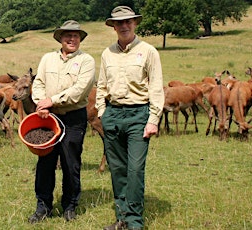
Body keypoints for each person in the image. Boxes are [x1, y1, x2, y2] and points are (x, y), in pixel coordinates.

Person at [95, 6, 164, 230]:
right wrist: (102, 112)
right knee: (117, 169)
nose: (124, 26)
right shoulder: (107, 53)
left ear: (135, 23)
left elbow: (155, 87)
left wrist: (153, 119)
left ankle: (134, 222)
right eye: (119, 23)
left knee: (134, 169)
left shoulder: (148, 51)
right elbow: (102, 85)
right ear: (113, 26)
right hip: (113, 114)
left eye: (128, 22)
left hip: (138, 114)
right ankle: (122, 218)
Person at [28, 20, 96, 223]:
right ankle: (43, 207)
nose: (72, 38)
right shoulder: (48, 59)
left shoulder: (87, 61)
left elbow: (79, 91)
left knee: (71, 162)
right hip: (48, 117)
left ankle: (69, 206)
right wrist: (41, 102)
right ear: (60, 38)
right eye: (67, 35)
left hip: (73, 117)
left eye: (76, 35)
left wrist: (52, 100)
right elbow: (38, 82)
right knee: (45, 162)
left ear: (80, 39)